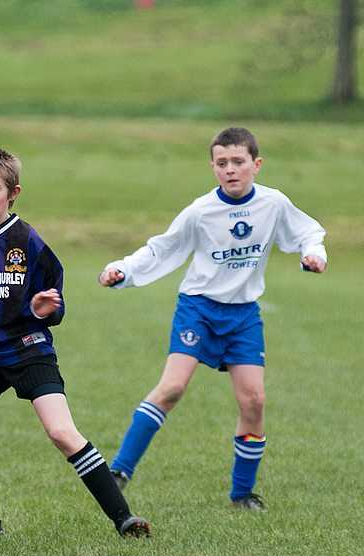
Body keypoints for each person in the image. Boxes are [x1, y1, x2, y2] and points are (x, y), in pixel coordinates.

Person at [0, 147, 151, 539]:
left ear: (13, 192)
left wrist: (42, 309)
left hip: (29, 349)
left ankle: (124, 519)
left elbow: (55, 305)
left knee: (61, 432)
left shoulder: (28, 241)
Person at [100, 127, 327, 512]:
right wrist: (123, 269)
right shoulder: (201, 211)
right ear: (213, 168)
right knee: (172, 388)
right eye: (222, 163)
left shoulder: (273, 203)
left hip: (243, 315)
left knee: (254, 401)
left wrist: (313, 252)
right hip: (199, 309)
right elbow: (163, 248)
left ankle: (242, 494)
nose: (230, 170)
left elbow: (308, 231)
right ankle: (118, 472)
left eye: (238, 162)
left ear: (256, 165)